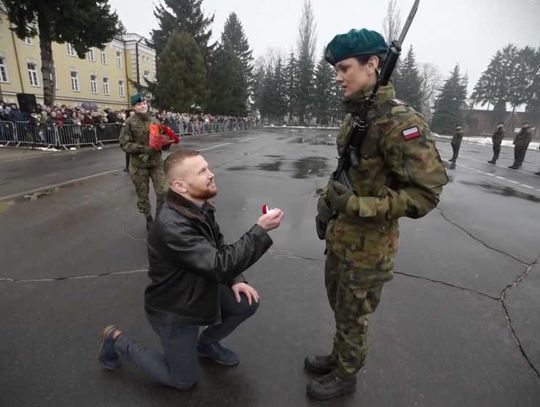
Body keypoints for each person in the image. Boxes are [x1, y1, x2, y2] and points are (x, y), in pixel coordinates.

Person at [309, 28, 448, 401]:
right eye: (335, 70)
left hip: (368, 248)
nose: (337, 77)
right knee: (340, 306)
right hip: (342, 238)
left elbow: (426, 194)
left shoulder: (401, 123)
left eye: (344, 68)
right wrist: (327, 203)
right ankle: (339, 357)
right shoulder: (357, 117)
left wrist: (358, 206)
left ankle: (346, 375)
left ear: (373, 65)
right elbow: (348, 173)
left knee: (354, 313)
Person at [98, 149, 284, 390]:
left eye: (207, 167)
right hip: (176, 309)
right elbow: (218, 265)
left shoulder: (200, 206)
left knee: (246, 302)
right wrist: (260, 230)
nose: (211, 174)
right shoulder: (172, 224)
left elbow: (218, 246)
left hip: (200, 285)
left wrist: (235, 278)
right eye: (202, 171)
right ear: (180, 185)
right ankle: (117, 340)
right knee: (184, 380)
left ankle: (205, 344)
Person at [119, 94, 166, 229]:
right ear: (134, 107)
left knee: (163, 191)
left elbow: (161, 138)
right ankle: (148, 218)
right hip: (139, 165)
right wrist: (143, 149)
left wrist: (166, 141)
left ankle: (159, 217)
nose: (143, 105)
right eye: (139, 104)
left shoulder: (155, 121)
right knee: (142, 194)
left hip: (156, 163)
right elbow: (124, 144)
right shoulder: (129, 123)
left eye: (144, 103)